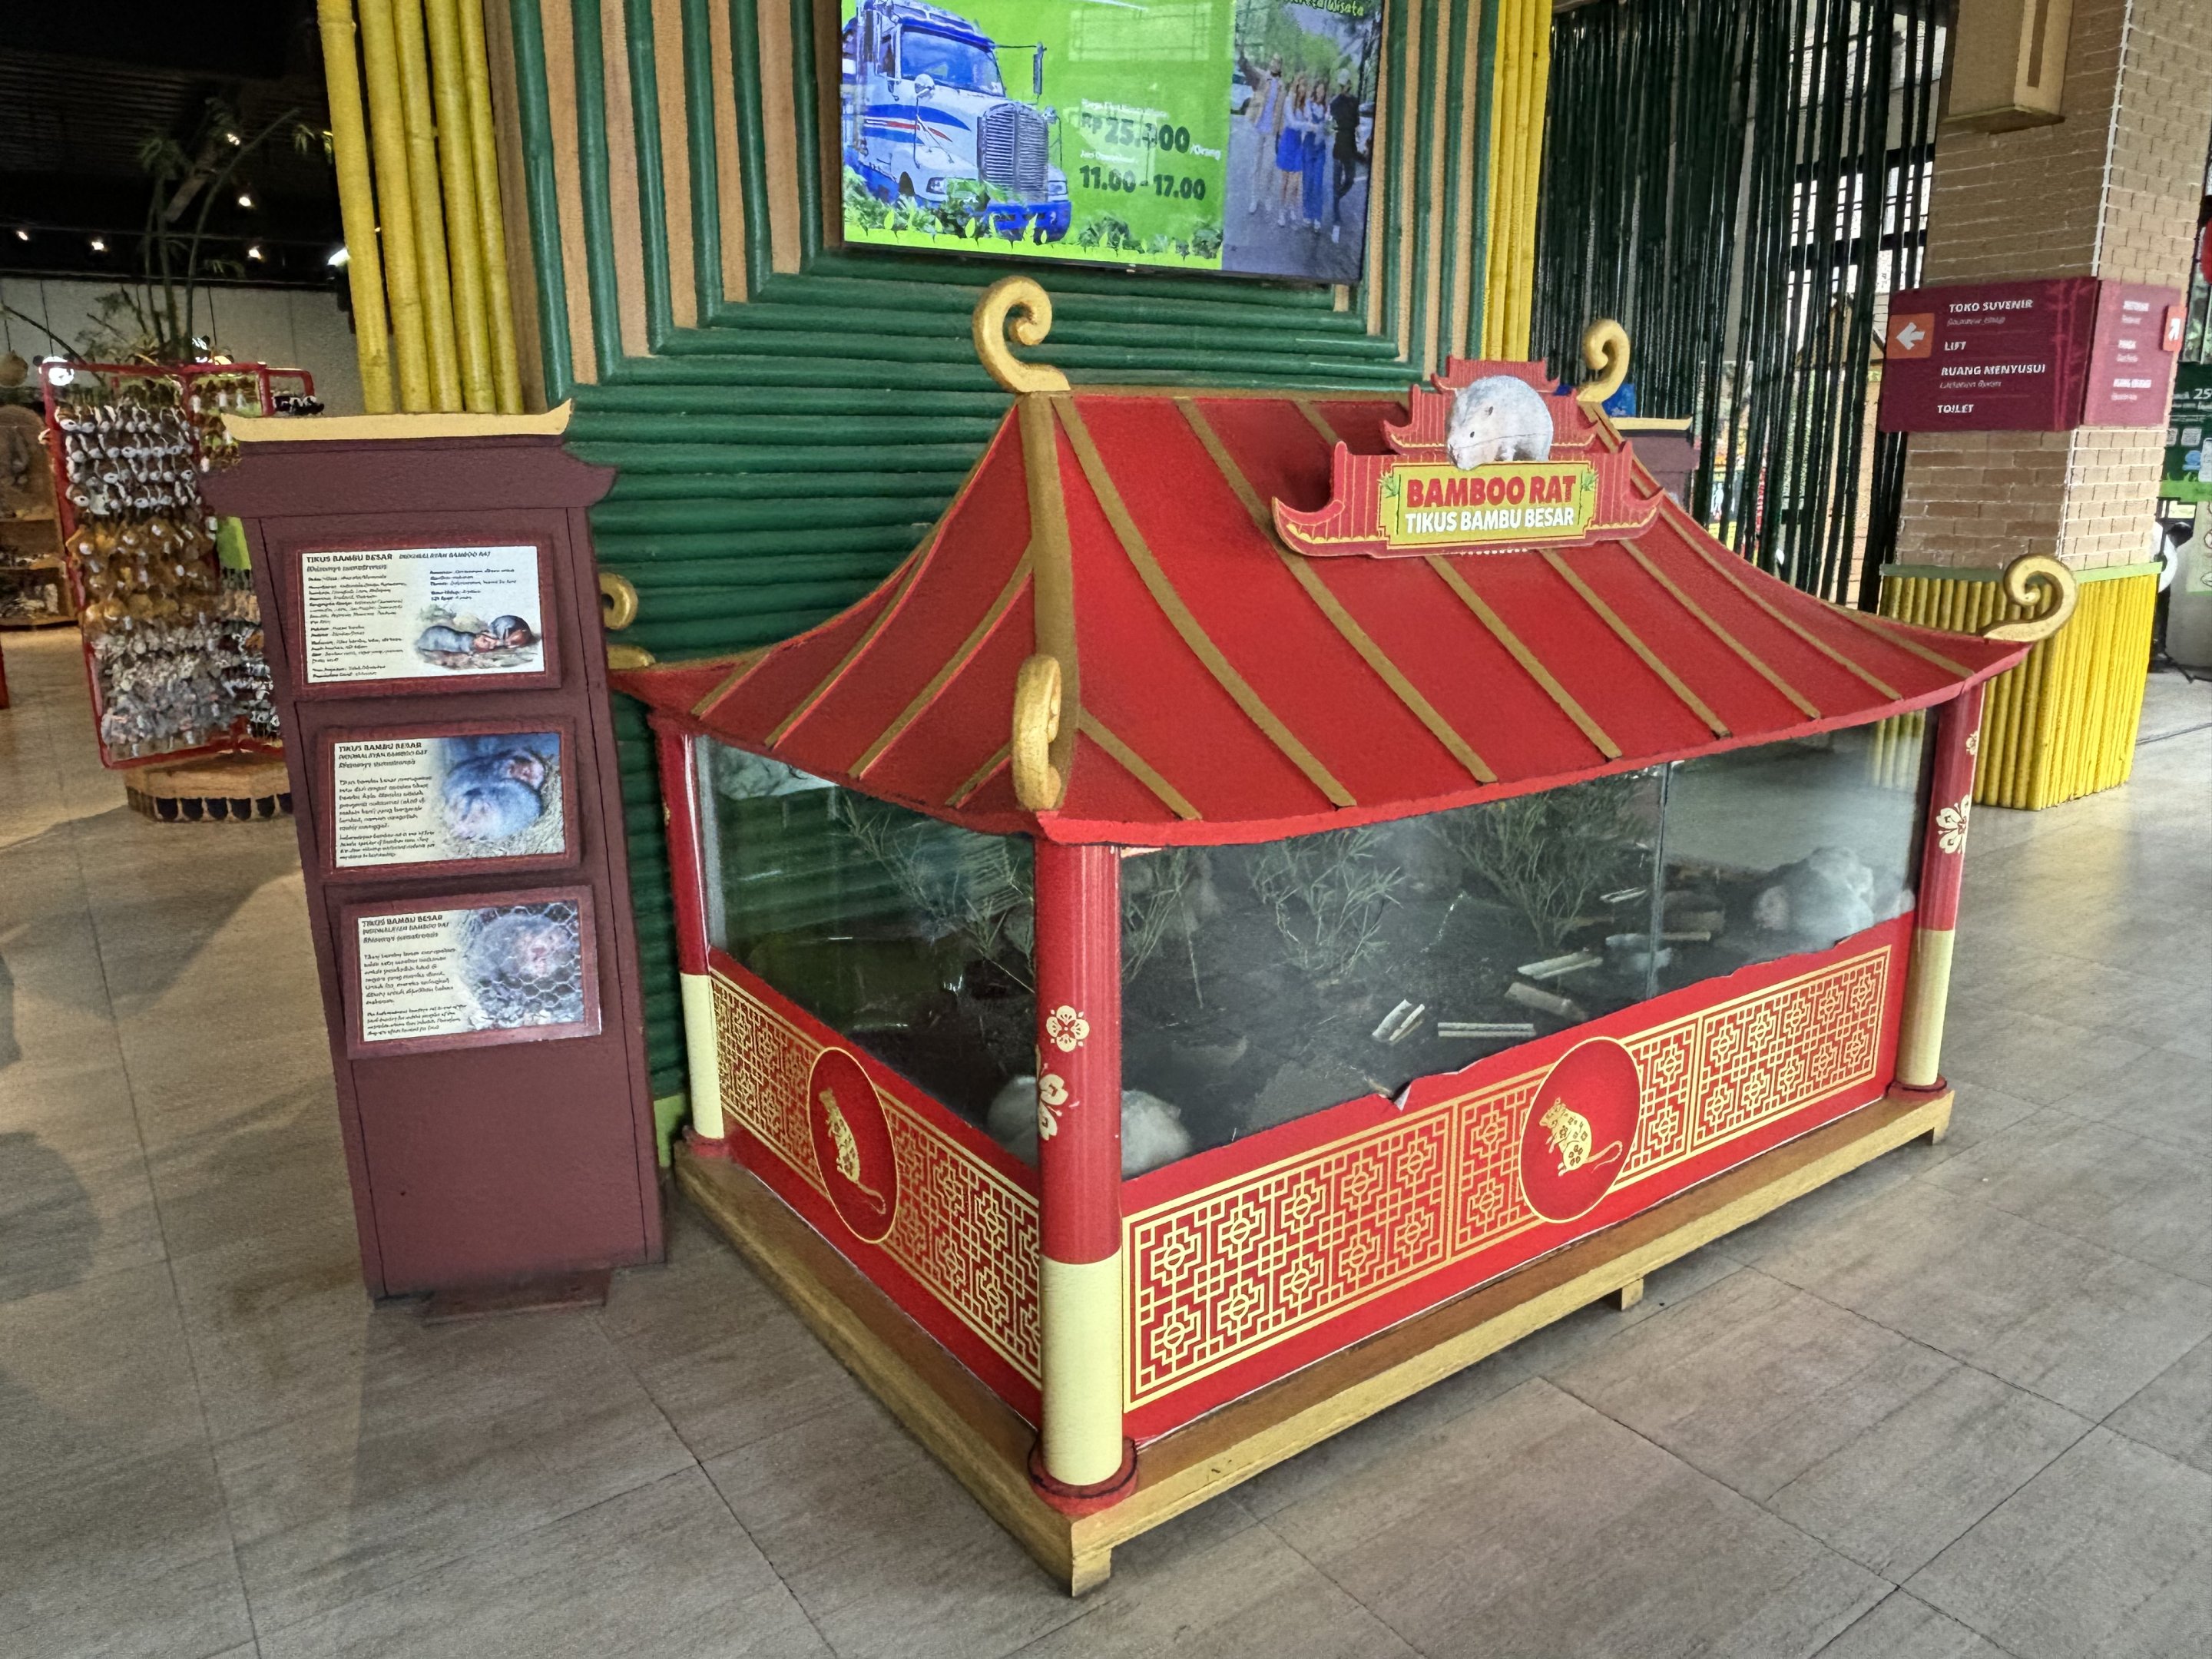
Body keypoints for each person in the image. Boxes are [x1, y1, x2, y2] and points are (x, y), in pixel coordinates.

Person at [1247, 58, 1285, 215]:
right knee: (1256, 165)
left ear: (1280, 66)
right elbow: (1252, 72)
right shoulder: (1264, 77)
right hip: (1259, 127)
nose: (1274, 64)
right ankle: (1254, 198)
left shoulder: (1282, 86)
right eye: (1272, 61)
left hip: (1271, 131)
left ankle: (1267, 197)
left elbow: (1281, 111)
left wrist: (1280, 133)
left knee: (1269, 167)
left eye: (1277, 62)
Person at [1328, 75, 1363, 244]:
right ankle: (1336, 219)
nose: (1344, 86)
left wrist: (1360, 138)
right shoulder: (1335, 102)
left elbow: (1356, 123)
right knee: (1336, 180)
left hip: (1351, 145)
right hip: (1339, 144)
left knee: (1350, 179)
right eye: (1341, 83)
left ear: (1349, 83)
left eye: (1346, 83)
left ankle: (1336, 197)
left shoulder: (1355, 101)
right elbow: (1331, 122)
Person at [1275, 75, 1309, 226]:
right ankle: (1282, 210)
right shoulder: (1289, 101)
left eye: (1304, 86)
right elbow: (1293, 123)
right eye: (1300, 85)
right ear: (1296, 85)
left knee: (1296, 181)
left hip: (1299, 144)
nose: (1302, 89)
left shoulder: (1304, 103)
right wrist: (1308, 125)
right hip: (1288, 141)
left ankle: (1292, 207)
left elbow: (1308, 119)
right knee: (1285, 180)